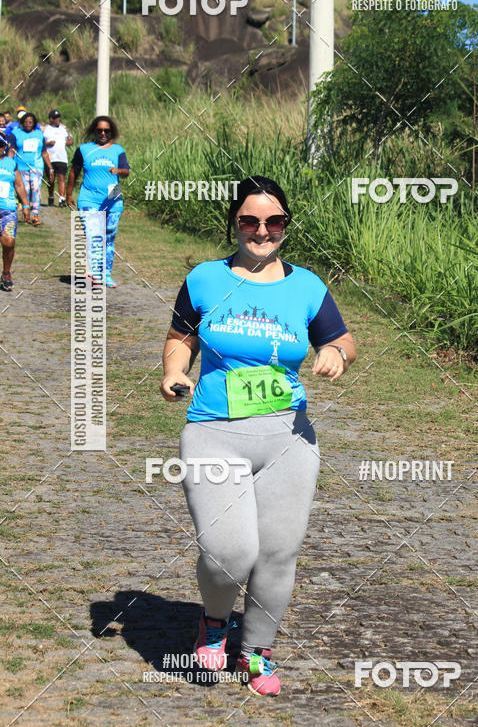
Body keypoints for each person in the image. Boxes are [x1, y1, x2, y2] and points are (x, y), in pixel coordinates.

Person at [160, 176, 356, 696]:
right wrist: (174, 371)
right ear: (235, 222)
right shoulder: (204, 279)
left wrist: (335, 353)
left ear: (286, 225)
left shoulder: (307, 286)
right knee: (228, 549)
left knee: (277, 552)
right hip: (214, 432)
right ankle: (214, 623)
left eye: (274, 221)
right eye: (250, 220)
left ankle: (257, 651)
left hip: (288, 438)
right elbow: (180, 338)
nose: (262, 231)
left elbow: (342, 339)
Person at [66, 115, 130, 288]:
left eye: (106, 130)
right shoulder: (84, 149)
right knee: (94, 235)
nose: (103, 133)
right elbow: (74, 171)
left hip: (113, 199)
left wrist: (118, 170)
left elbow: (126, 172)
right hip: (89, 198)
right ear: (94, 130)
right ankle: (95, 272)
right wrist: (68, 193)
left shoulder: (118, 150)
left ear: (111, 132)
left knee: (109, 237)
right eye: (99, 130)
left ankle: (106, 273)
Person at [0, 133, 31, 291]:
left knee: (9, 242)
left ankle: (6, 273)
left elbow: (19, 185)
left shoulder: (11, 164)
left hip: (7, 209)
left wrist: (25, 205)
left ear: (4, 147)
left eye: (0, 145)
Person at [10, 113, 52, 227]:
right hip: (20, 167)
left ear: (34, 123)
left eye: (30, 122)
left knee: (36, 189)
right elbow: (11, 150)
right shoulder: (15, 133)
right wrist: (9, 165)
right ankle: (26, 214)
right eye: (26, 122)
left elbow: (44, 152)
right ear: (22, 122)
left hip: (36, 166)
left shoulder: (39, 134)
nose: (28, 124)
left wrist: (50, 168)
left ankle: (35, 215)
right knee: (25, 191)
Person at [43, 109, 73, 207]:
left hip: (61, 157)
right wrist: (48, 143)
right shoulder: (46, 129)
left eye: (58, 117)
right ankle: (51, 196)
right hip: (50, 158)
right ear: (50, 119)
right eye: (55, 118)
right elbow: (41, 142)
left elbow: (70, 140)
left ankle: (61, 199)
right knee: (51, 179)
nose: (57, 119)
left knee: (62, 178)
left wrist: (68, 142)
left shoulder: (63, 128)